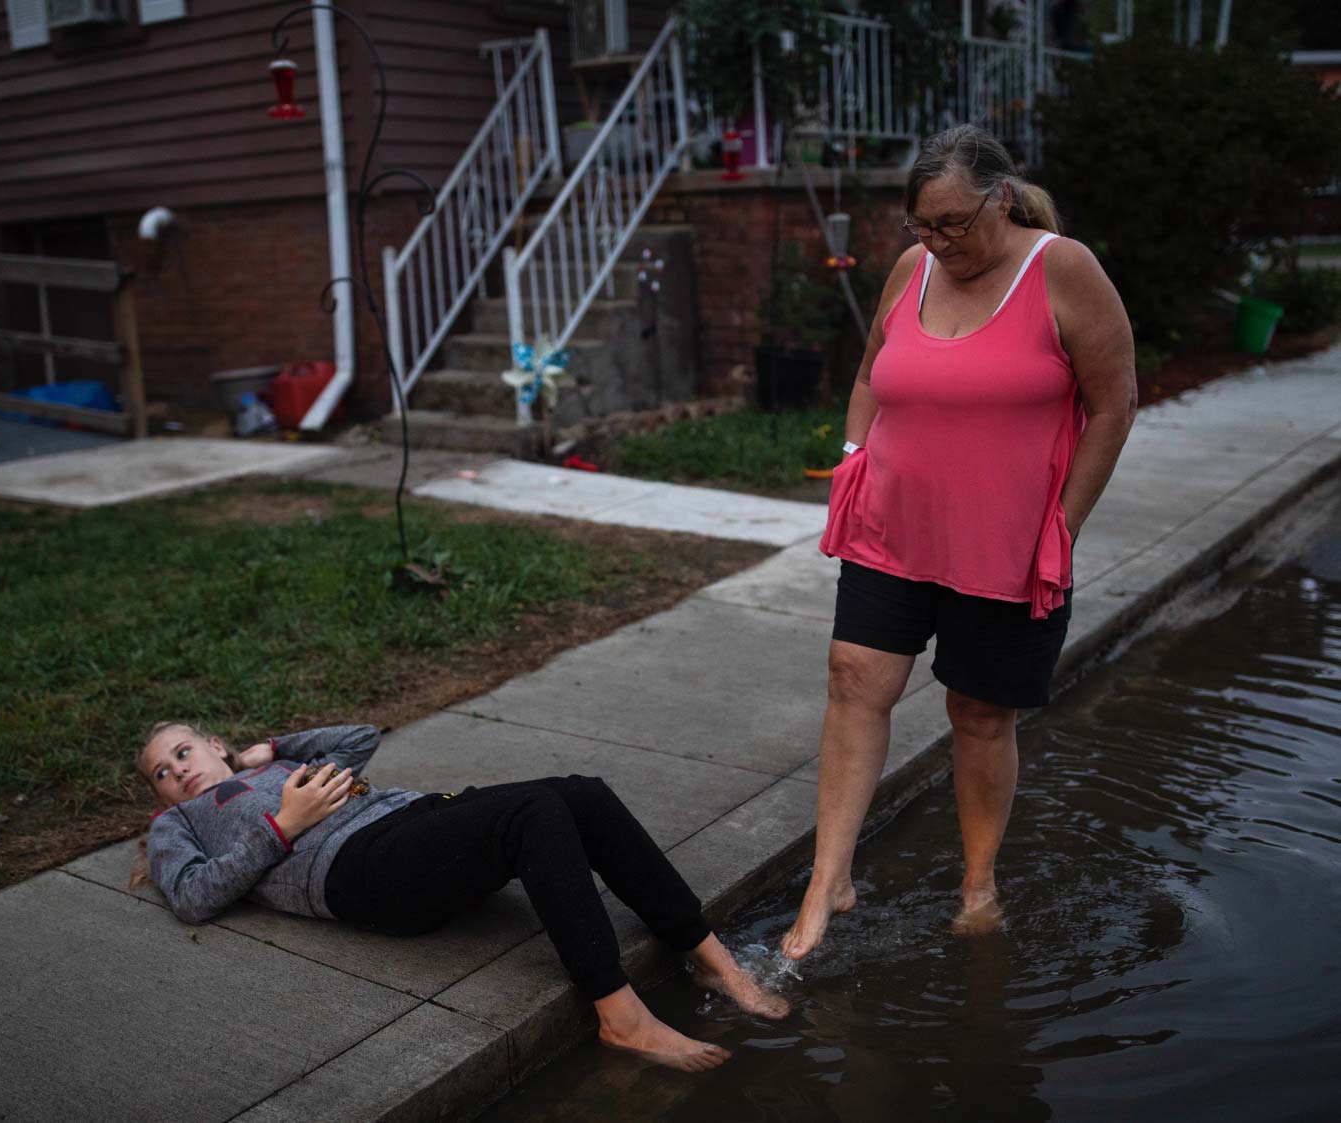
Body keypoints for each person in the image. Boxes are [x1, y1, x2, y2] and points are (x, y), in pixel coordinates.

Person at [781, 124, 1136, 958]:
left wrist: (1063, 524)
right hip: (891, 525)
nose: (940, 243)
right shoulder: (913, 271)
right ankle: (828, 875)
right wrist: (852, 459)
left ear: (999, 199)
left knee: (977, 712)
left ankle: (977, 882)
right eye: (923, 227)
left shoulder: (1062, 267)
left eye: (954, 224)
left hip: (1005, 539)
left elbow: (1114, 403)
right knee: (852, 678)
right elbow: (872, 369)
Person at [135, 720, 788, 1071]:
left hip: (413, 821)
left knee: (580, 791)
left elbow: (360, 736)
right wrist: (285, 823)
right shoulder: (179, 823)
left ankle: (707, 953)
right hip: (357, 870)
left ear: (214, 743)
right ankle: (620, 1014)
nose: (179, 770)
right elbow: (193, 896)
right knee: (532, 810)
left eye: (184, 750)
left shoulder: (270, 765)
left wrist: (270, 750)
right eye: (162, 773)